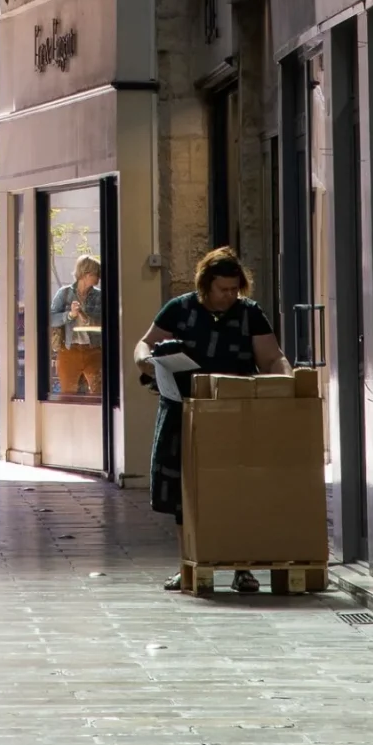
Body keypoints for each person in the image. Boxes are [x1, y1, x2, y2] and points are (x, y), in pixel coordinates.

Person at [135, 245, 289, 594]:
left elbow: (271, 357)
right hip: (184, 411)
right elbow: (144, 345)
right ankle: (190, 563)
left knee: (239, 489)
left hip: (235, 414)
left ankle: (241, 569)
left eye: (235, 289)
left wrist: (286, 383)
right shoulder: (179, 309)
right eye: (223, 290)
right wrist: (145, 362)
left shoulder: (250, 314)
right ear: (205, 285)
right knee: (184, 492)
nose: (229, 296)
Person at [48, 253, 104, 398]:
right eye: (96, 274)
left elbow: (104, 321)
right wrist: (70, 315)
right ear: (86, 274)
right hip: (69, 350)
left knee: (98, 394)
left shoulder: (99, 296)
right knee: (68, 394)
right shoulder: (64, 293)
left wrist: (86, 318)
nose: (99, 278)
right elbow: (51, 319)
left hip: (94, 350)